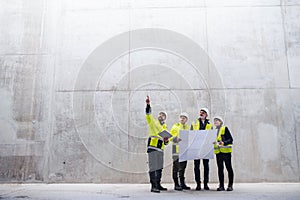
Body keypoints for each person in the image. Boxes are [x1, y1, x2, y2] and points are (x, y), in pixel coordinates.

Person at [145, 95, 170, 193]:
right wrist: (148, 105)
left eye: (163, 115)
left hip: (160, 149)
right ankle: (153, 185)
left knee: (159, 167)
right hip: (153, 147)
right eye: (160, 114)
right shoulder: (153, 122)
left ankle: (158, 184)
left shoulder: (165, 128)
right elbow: (148, 114)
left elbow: (166, 141)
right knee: (153, 167)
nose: (161, 116)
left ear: (165, 118)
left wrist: (167, 140)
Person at [191, 108, 213, 190]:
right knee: (196, 166)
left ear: (206, 114)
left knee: (206, 166)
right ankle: (198, 184)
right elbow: (191, 134)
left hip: (206, 148)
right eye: (200, 112)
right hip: (196, 147)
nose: (201, 114)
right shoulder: (194, 123)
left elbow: (211, 136)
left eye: (203, 113)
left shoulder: (210, 125)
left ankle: (206, 183)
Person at [170, 112, 190, 191]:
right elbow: (169, 137)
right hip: (176, 149)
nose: (182, 119)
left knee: (183, 167)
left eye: (184, 118)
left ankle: (182, 183)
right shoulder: (175, 126)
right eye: (181, 117)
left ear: (186, 119)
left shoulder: (187, 127)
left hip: (184, 150)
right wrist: (176, 139)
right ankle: (176, 184)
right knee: (176, 167)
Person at [213, 116, 234, 191]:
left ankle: (230, 185)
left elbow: (231, 140)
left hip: (226, 152)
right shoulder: (214, 131)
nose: (215, 122)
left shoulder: (224, 128)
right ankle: (221, 185)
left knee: (229, 168)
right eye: (214, 121)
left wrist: (224, 142)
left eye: (217, 120)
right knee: (220, 169)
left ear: (221, 122)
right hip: (218, 153)